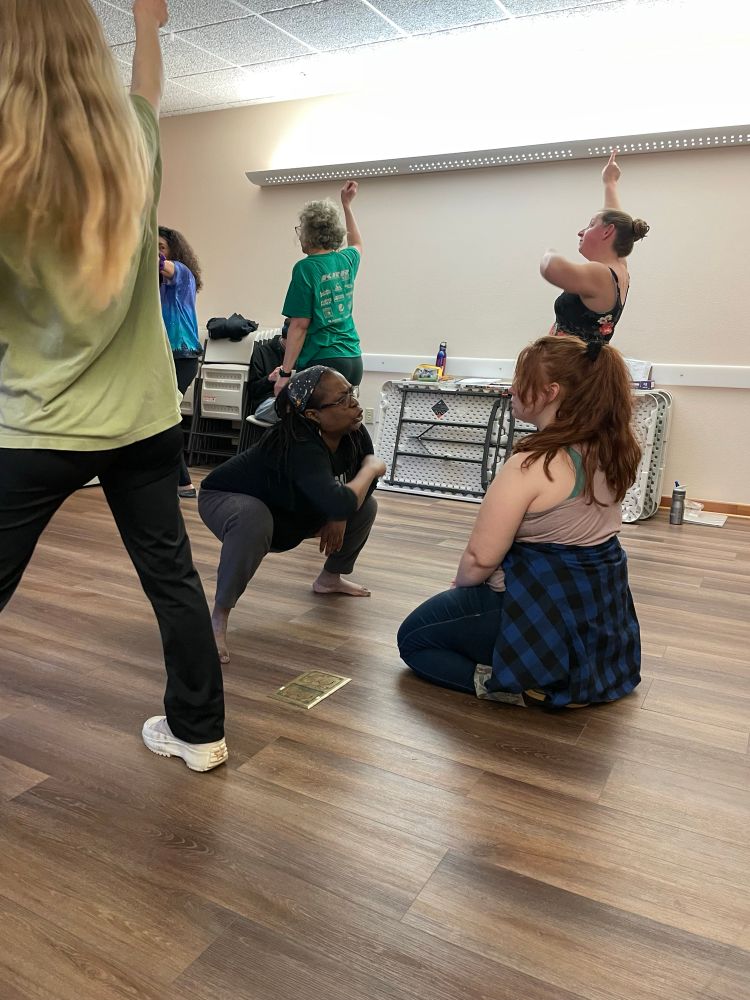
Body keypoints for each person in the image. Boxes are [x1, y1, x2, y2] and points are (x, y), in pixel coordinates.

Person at [0, 0, 227, 771]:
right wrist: (149, 24)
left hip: (36, 427)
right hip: (143, 421)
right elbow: (148, 92)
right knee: (172, 576)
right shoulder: (133, 140)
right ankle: (201, 735)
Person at [397, 335, 642, 709]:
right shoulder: (609, 449)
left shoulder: (530, 467)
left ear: (549, 392)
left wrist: (461, 589)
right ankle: (557, 673)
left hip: (541, 611)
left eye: (519, 378)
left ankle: (518, 684)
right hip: (595, 610)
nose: (511, 388)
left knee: (414, 640)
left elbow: (481, 558)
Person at [199, 367, 384, 664]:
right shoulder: (299, 443)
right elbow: (367, 474)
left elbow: (366, 488)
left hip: (290, 510)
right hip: (226, 499)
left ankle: (329, 579)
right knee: (253, 517)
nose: (356, 404)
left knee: (365, 506)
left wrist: (340, 514)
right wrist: (370, 468)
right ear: (312, 415)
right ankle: (219, 616)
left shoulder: (353, 430)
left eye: (352, 393)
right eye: (344, 398)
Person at [541, 151, 650, 344]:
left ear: (607, 232)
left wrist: (547, 251)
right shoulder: (619, 269)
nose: (581, 232)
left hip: (570, 369)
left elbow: (551, 268)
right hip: (579, 366)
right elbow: (614, 217)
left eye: (590, 225)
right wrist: (610, 182)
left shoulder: (599, 273)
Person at [274, 182, 364, 398]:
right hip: (353, 359)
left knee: (312, 428)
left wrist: (285, 374)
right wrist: (347, 205)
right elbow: (357, 243)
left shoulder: (306, 268)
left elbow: (299, 326)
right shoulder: (345, 260)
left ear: (309, 234)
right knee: (340, 425)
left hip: (324, 360)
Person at [158, 225, 204, 498]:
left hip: (182, 355)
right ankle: (177, 481)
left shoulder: (181, 272)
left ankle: (183, 482)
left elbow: (161, 264)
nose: (157, 250)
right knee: (163, 417)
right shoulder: (154, 285)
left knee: (165, 416)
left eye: (161, 246)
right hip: (162, 356)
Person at [249, 318, 289, 423]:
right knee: (290, 410)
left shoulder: (303, 353)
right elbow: (252, 390)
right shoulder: (262, 352)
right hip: (267, 401)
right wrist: (269, 379)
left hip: (294, 401)